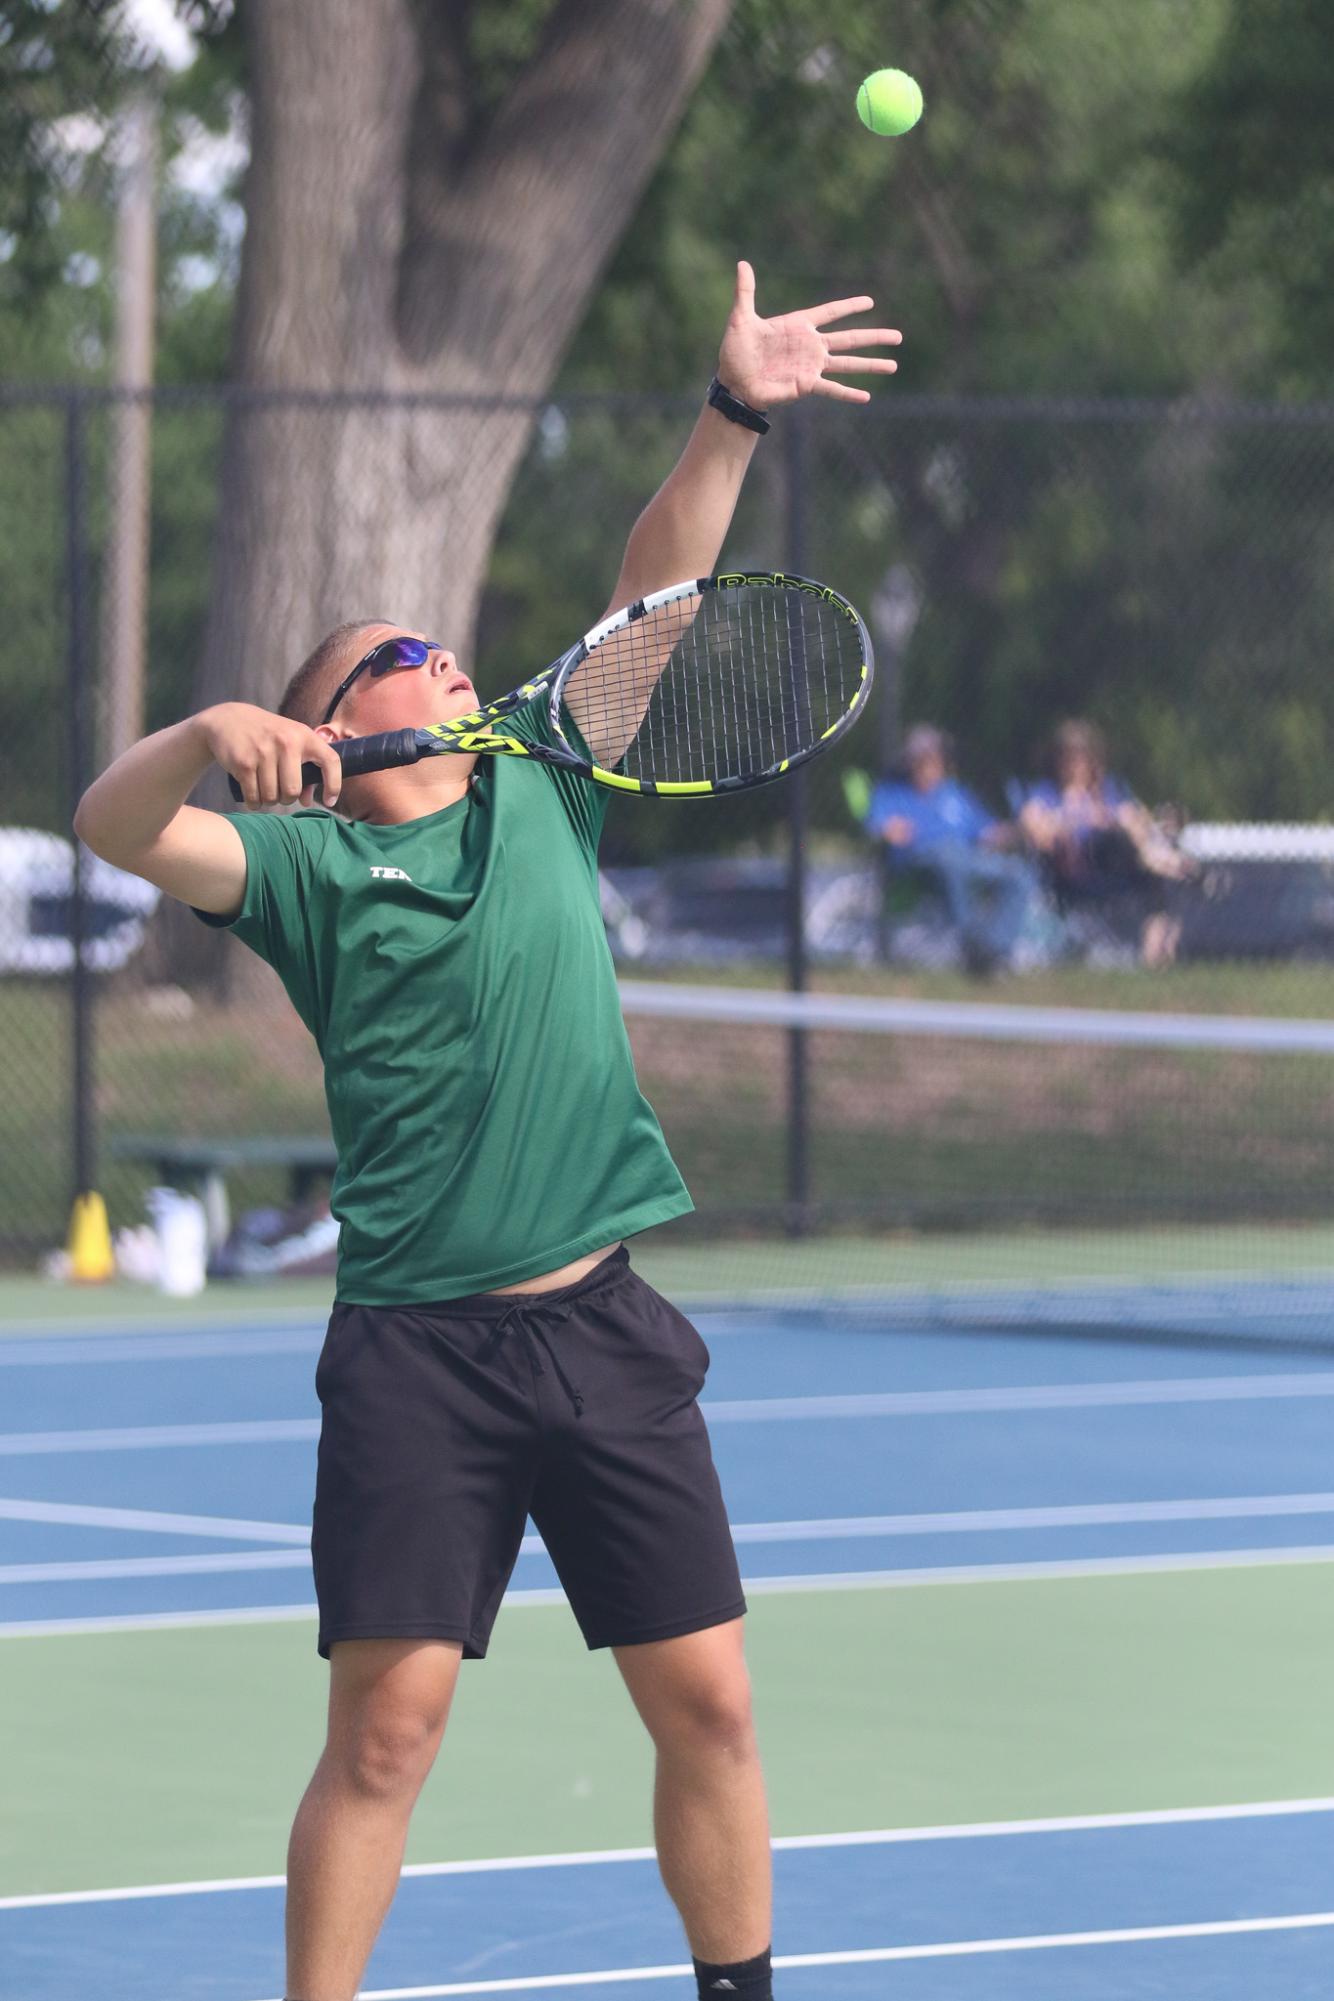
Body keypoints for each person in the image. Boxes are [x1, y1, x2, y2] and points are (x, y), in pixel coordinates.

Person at [73, 261, 901, 2001]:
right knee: (386, 1736)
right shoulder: (294, 870)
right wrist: (196, 736)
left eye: (439, 640)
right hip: (416, 1359)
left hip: (599, 1326)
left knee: (712, 1707)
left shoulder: (542, 770)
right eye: (393, 651)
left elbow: (652, 583)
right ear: (330, 724)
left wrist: (732, 409)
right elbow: (111, 823)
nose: (438, 648)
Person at [1019, 719, 1194, 967]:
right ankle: (1174, 865)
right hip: (1077, 866)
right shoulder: (1045, 793)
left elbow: (1139, 824)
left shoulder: (1110, 790)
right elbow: (1035, 831)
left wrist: (1123, 819)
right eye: (1067, 758)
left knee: (1158, 877)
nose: (1074, 766)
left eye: (1080, 758)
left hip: (1119, 867)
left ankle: (1156, 956)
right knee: (1119, 841)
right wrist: (1078, 819)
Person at [866, 724, 1040, 973]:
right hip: (920, 861)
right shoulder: (891, 792)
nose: (927, 765)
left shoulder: (956, 794)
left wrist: (1019, 830)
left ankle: (993, 950)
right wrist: (889, 831)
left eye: (933, 758)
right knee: (949, 860)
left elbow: (987, 833)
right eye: (920, 759)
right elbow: (877, 826)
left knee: (1019, 874)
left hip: (967, 857)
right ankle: (970, 943)